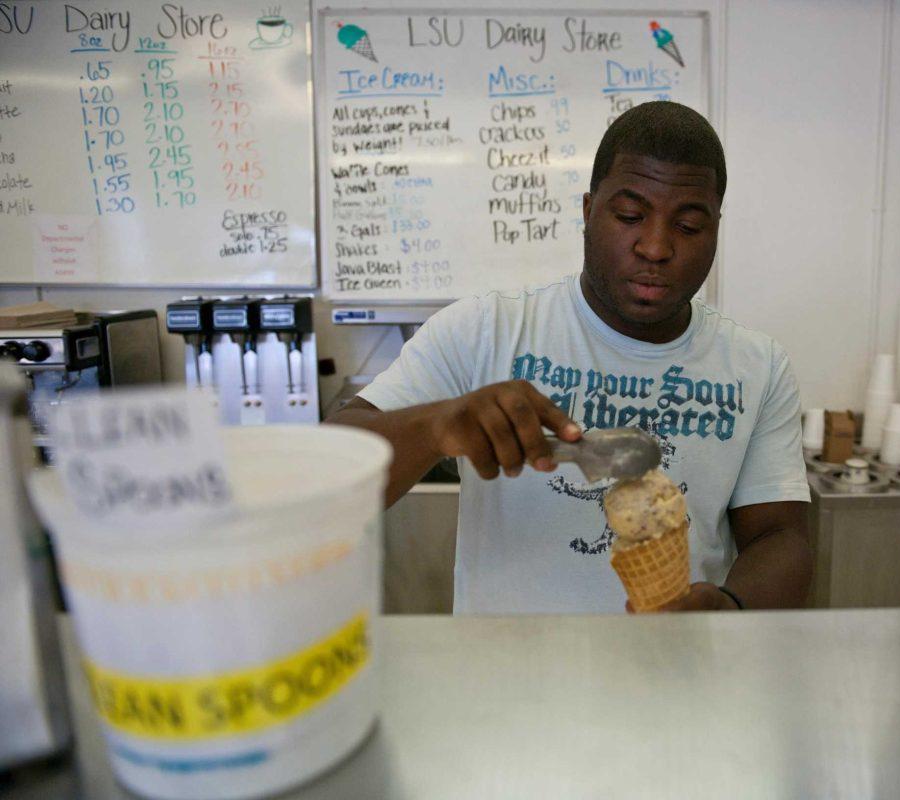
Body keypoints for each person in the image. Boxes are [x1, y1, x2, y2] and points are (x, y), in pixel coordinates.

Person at [327, 101, 812, 614]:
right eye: (630, 216)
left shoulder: (758, 366)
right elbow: (329, 478)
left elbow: (780, 537)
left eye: (689, 227)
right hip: (507, 682)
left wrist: (732, 607)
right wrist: (438, 425)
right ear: (587, 212)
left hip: (676, 675)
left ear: (715, 230)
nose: (655, 246)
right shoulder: (484, 332)